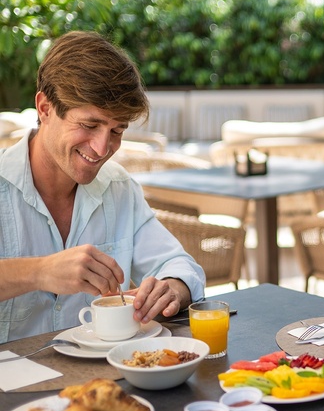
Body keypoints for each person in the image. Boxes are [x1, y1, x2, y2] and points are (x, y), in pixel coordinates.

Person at [0, 31, 205, 343]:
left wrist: (171, 288)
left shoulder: (118, 188)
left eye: (117, 130)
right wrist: (39, 271)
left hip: (100, 383)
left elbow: (179, 266)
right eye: (89, 125)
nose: (101, 148)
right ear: (45, 108)